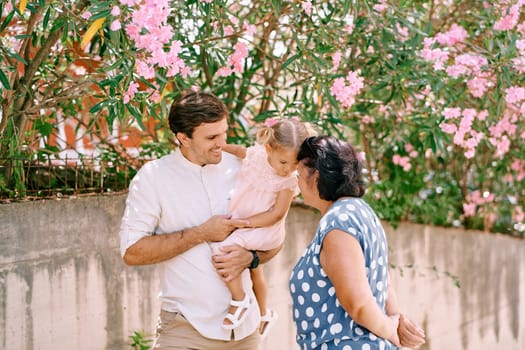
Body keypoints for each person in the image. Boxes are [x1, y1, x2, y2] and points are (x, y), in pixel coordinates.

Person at [119, 90, 280, 349]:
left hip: (244, 333)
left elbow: (275, 233)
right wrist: (201, 233)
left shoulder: (243, 168)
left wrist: (253, 258)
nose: (222, 142)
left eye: (224, 133)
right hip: (185, 330)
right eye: (212, 137)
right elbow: (132, 252)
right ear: (183, 138)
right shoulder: (152, 178)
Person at [289, 135, 426, 349]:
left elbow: (358, 304)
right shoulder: (360, 211)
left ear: (316, 176)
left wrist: (392, 330)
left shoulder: (337, 223)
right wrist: (395, 318)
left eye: (299, 174)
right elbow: (380, 276)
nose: (296, 182)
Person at [210, 118, 313, 335]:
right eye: (284, 162)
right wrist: (220, 147)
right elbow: (239, 150)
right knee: (255, 271)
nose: (288, 169)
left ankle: (239, 300)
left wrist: (245, 224)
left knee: (221, 249)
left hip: (265, 229)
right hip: (247, 224)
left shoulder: (289, 181)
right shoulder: (256, 156)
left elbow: (276, 215)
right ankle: (265, 313)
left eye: (295, 164)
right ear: (268, 148)